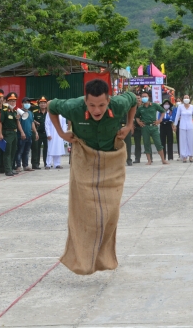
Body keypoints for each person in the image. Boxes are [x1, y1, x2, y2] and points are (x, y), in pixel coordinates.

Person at [47, 79, 137, 275]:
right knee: (85, 211)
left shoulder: (120, 104)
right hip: (84, 159)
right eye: (92, 105)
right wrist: (61, 133)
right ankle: (82, 260)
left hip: (111, 161)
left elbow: (134, 100)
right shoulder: (73, 106)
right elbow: (51, 106)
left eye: (102, 105)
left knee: (111, 212)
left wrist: (129, 125)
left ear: (109, 100)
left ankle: (104, 258)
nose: (97, 110)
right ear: (85, 101)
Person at [135, 90, 167, 165]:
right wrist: (139, 122)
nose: (144, 98)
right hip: (145, 127)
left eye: (145, 96)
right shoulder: (140, 108)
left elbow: (163, 111)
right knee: (146, 144)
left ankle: (163, 160)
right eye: (143, 97)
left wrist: (160, 120)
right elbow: (137, 116)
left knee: (158, 143)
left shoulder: (154, 105)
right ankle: (149, 160)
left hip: (153, 127)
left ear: (148, 97)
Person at [0, 92, 21, 176]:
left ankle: (11, 168)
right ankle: (7, 170)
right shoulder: (4, 111)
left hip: (14, 133)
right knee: (7, 152)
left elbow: (17, 123)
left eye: (14, 101)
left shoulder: (15, 111)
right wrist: (0, 133)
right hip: (7, 132)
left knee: (13, 151)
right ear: (7, 102)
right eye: (11, 101)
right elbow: (0, 123)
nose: (13, 103)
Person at [174, 94, 193, 163]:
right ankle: (184, 156)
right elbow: (177, 116)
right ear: (183, 99)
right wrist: (175, 125)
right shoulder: (180, 107)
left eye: (187, 97)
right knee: (183, 141)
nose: (186, 99)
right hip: (182, 126)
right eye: (185, 98)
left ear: (189, 99)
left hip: (190, 126)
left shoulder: (192, 107)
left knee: (190, 141)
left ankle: (191, 156)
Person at [17, 97, 38, 171]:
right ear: (22, 103)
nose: (27, 104)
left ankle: (25, 166)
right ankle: (18, 166)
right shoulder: (19, 112)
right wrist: (22, 132)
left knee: (26, 151)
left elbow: (32, 123)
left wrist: (36, 132)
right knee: (20, 151)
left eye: (28, 103)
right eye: (25, 102)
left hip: (29, 135)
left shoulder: (30, 113)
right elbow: (18, 123)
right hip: (21, 135)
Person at [32, 97, 49, 169]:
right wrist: (35, 122)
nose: (43, 104)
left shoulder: (49, 113)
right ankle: (35, 164)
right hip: (38, 133)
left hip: (47, 133)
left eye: (44, 103)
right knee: (36, 149)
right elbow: (31, 120)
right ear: (39, 104)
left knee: (47, 149)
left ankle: (46, 163)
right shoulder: (35, 112)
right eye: (41, 103)